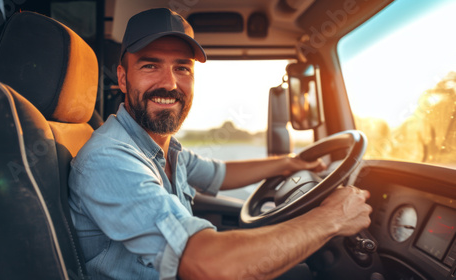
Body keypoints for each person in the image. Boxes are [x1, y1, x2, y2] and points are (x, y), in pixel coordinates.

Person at [68, 8, 372, 280]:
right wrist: (331, 218)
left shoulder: (164, 150)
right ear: (122, 79)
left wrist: (288, 162)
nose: (170, 84)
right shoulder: (109, 158)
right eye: (150, 66)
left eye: (182, 68)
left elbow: (221, 173)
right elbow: (209, 267)